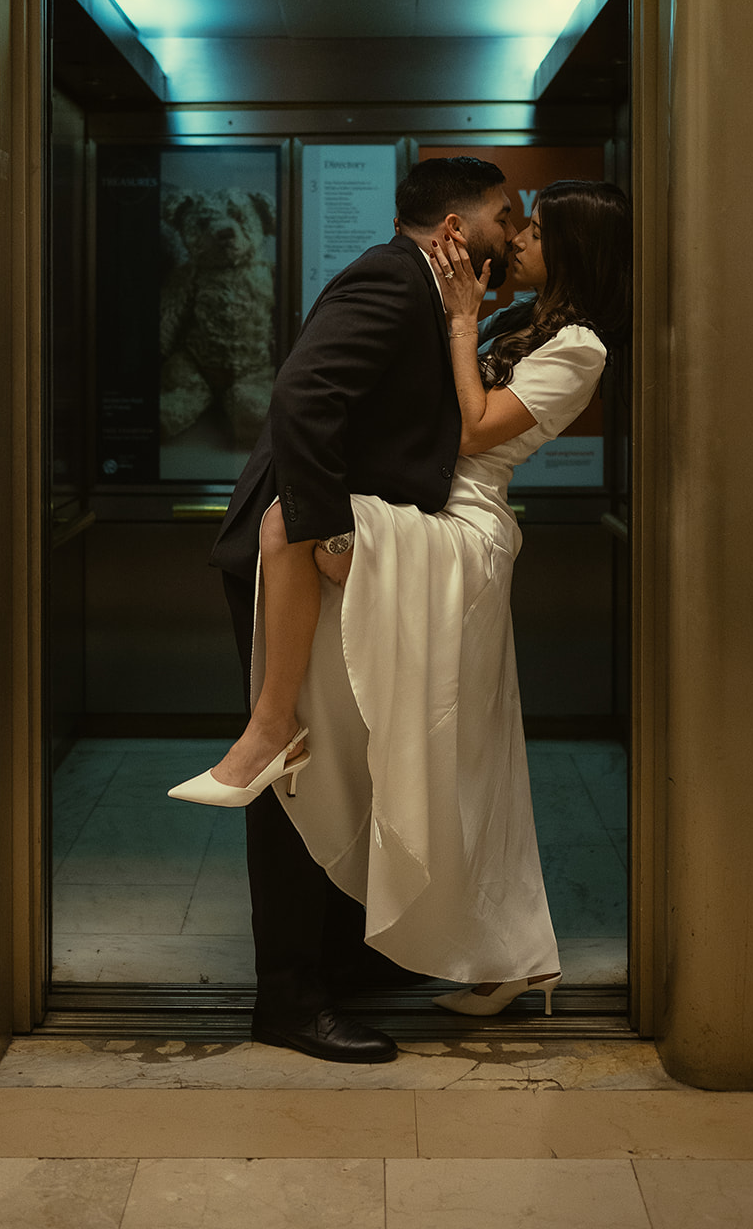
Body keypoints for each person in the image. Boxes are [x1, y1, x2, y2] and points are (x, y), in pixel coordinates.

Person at [174, 155, 516, 1065]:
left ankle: (336, 961)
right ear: (455, 228)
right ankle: (288, 998)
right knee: (292, 769)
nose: (513, 234)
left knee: (336, 762)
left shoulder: (419, 287)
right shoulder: (390, 279)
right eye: (504, 215)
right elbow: (303, 397)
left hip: (339, 556)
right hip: (298, 558)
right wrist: (325, 533)